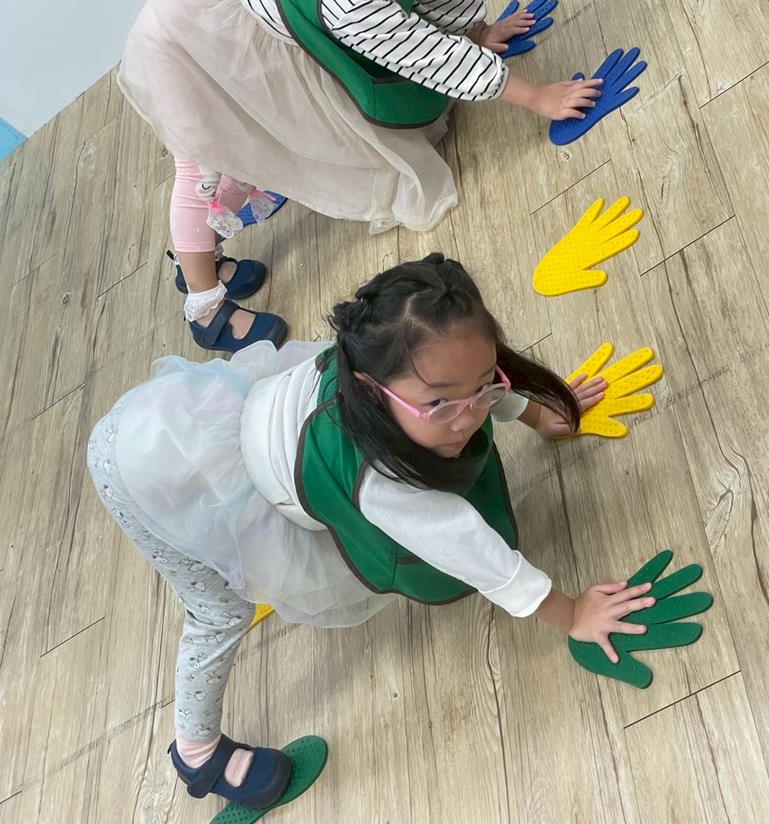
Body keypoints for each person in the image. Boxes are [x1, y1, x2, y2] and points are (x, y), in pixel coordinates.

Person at [88, 253, 654, 811]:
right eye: (438, 403)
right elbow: (470, 549)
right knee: (219, 611)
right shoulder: (377, 478)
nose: (467, 416)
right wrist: (571, 614)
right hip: (151, 472)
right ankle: (196, 752)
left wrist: (536, 414)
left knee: (458, 394)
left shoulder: (399, 362)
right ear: (370, 388)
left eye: (482, 387)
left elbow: (475, 382)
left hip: (192, 418)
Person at [117, 0, 602, 353]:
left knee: (226, 159)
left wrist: (477, 28)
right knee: (204, 165)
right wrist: (536, 96)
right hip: (189, 48)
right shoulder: (342, 0)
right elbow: (427, 55)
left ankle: (201, 257)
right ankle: (203, 302)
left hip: (234, 21)